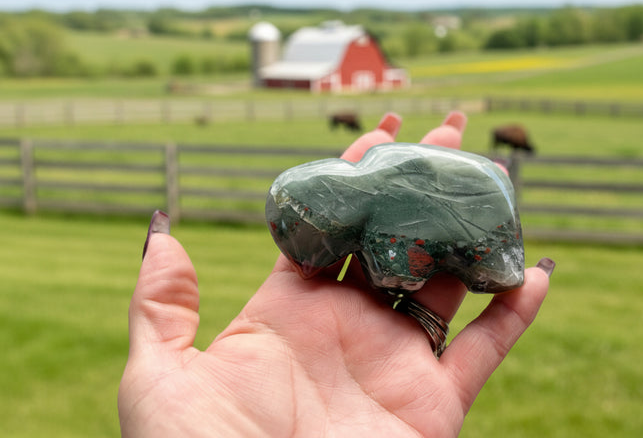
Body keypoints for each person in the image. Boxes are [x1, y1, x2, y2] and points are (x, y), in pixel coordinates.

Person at [119, 111, 554, 437]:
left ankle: (492, 263)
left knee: (477, 263)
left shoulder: (382, 183)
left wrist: (396, 268)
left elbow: (398, 264)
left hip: (483, 227)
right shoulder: (376, 173)